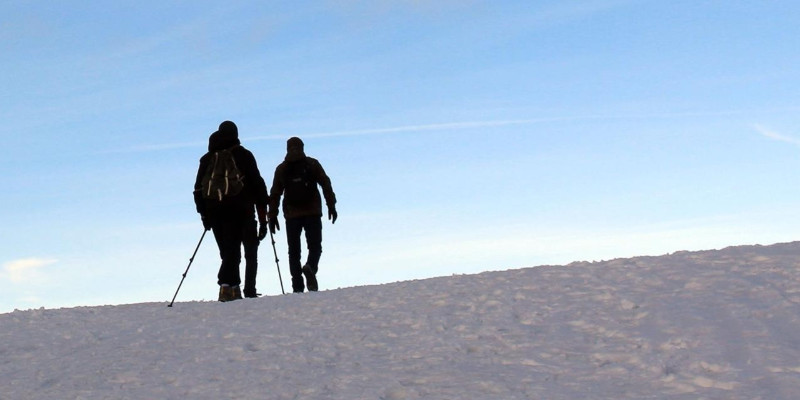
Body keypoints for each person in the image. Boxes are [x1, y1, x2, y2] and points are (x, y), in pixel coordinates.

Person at [193, 121, 269, 301]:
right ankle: (233, 287)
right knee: (242, 251)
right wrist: (264, 213)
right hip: (242, 209)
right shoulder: (244, 155)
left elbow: (198, 189)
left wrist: (204, 214)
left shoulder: (207, 159)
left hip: (215, 211)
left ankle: (231, 288)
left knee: (228, 251)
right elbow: (257, 183)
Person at [268, 137, 337, 293]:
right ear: (302, 147)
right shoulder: (312, 164)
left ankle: (297, 286)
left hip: (292, 215)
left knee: (293, 251)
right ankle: (310, 267)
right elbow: (325, 183)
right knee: (315, 246)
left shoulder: (282, 168)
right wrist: (331, 205)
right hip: (312, 211)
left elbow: (275, 193)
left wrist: (272, 216)